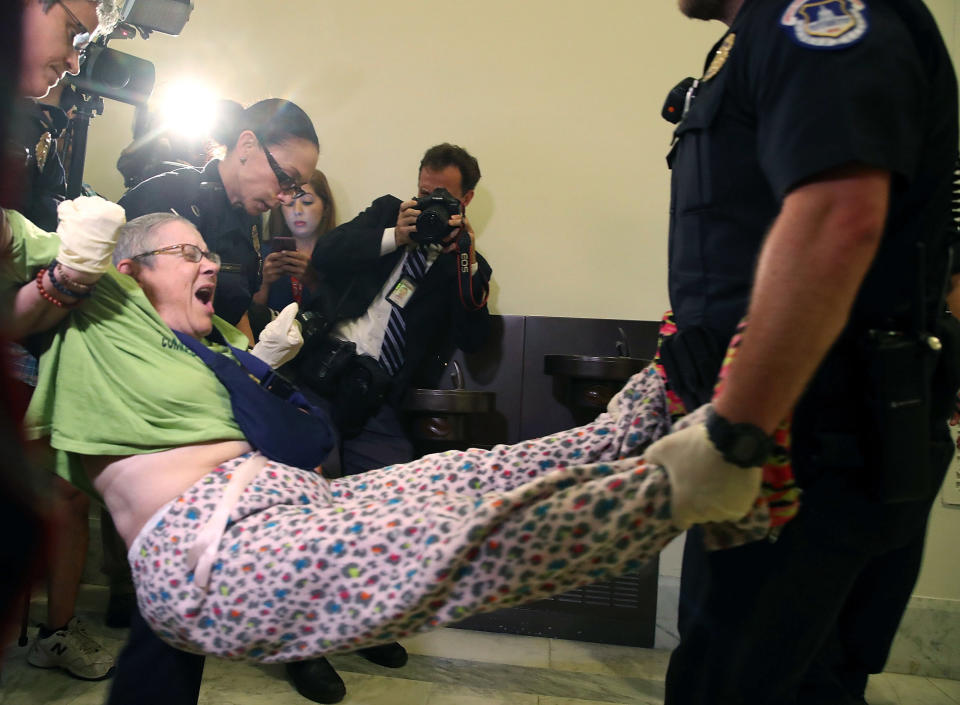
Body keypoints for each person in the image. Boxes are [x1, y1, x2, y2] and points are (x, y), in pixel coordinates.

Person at [15, 209, 767, 679]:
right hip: (206, 547)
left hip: (285, 501)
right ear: (127, 268)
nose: (209, 261)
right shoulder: (105, 305)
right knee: (450, 540)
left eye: (209, 250)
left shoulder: (209, 344)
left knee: (467, 473)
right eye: (186, 252)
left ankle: (649, 403)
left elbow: (282, 420)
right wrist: (67, 260)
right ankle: (677, 489)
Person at [657, 1, 959, 704]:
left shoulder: (811, 12)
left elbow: (837, 218)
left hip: (801, 454)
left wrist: (734, 433)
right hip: (786, 448)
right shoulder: (758, 35)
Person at [8, 0, 122, 681]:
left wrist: (67, 275)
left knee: (67, 494)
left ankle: (54, 630)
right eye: (75, 31)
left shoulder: (35, 127)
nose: (76, 61)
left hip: (28, 347)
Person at [301, 143, 492, 475]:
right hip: (324, 373)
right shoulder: (388, 213)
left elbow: (474, 339)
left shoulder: (464, 263)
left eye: (442, 198)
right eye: (423, 194)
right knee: (313, 470)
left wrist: (467, 261)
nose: (430, 205)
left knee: (392, 489)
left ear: (466, 200)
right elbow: (325, 253)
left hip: (382, 398)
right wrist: (395, 236)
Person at [118, 98, 319, 340]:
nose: (286, 198)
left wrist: (251, 362)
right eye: (286, 178)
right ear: (246, 145)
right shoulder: (166, 196)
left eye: (295, 188)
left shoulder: (250, 218)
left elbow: (235, 307)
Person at [254, 169, 336, 310]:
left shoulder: (338, 254)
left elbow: (342, 315)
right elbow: (247, 317)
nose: (297, 210)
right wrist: (264, 282)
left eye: (307, 202)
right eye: (290, 204)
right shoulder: (262, 254)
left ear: (326, 208)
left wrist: (312, 282)